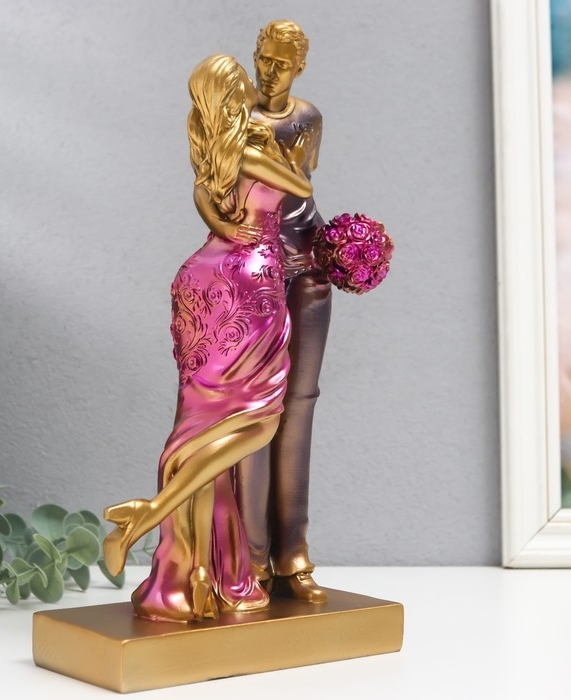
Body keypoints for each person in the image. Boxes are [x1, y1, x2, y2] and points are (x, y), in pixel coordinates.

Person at [102, 54, 313, 622]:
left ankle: (193, 571)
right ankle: (148, 516)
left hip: (202, 278)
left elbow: (207, 204)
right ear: (236, 97)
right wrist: (285, 151)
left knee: (201, 425)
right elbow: (299, 187)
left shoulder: (210, 155)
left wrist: (222, 222)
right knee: (260, 420)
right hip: (250, 284)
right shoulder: (251, 152)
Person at [233, 19, 332, 603]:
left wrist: (340, 249)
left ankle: (293, 553)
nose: (269, 72)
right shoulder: (235, 117)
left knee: (301, 406)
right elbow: (224, 197)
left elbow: (304, 190)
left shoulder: (308, 117)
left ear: (299, 67)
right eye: (263, 60)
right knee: (256, 413)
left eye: (281, 64)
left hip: (308, 272)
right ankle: (251, 559)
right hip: (255, 275)